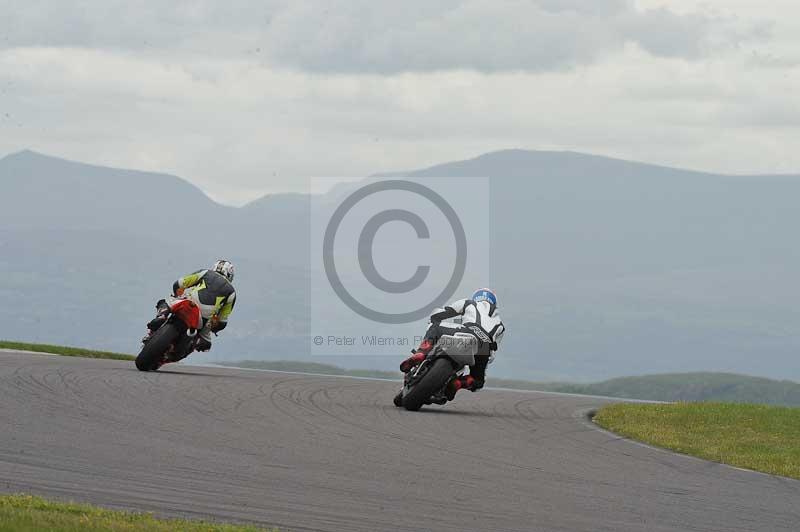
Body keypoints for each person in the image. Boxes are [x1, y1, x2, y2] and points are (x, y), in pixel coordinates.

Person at [399, 288, 505, 400]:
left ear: (476, 297)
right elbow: (492, 355)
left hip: (466, 331)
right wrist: (481, 363)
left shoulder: (469, 302)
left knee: (435, 328)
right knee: (478, 381)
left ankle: (421, 354)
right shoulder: (500, 326)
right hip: (484, 347)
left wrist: (434, 319)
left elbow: (444, 312)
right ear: (494, 302)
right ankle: (458, 383)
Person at [143, 260, 237, 358]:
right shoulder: (231, 292)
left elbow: (179, 283)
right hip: (204, 317)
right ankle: (192, 343)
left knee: (165, 302)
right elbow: (222, 320)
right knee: (205, 344)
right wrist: (214, 328)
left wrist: (177, 294)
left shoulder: (205, 273)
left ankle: (162, 315)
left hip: (189, 302)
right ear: (230, 274)